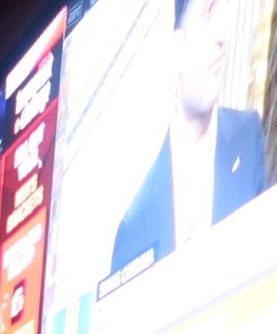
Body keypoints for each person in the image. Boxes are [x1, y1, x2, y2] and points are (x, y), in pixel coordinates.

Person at [111, 0, 266, 273]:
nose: (222, 36)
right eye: (208, 12)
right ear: (177, 48)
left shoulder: (249, 137)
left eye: (223, 12)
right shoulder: (133, 229)